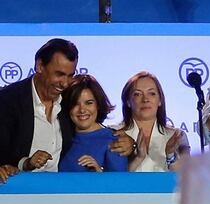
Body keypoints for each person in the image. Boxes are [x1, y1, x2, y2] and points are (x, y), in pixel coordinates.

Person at [0, 38, 133, 182]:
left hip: (60, 195)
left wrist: (131, 144)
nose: (64, 83)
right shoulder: (8, 100)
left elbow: (92, 132)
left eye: (70, 75)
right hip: (15, 194)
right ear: (39, 66)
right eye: (59, 74)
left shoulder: (68, 99)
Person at [115, 72, 189, 172]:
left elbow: (185, 178)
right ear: (128, 101)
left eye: (152, 93)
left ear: (160, 101)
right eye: (137, 94)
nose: (145, 99)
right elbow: (112, 180)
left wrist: (170, 155)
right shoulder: (115, 134)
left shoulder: (177, 136)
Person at [57, 75, 128, 173]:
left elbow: (119, 185)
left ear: (98, 104)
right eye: (75, 104)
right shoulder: (61, 138)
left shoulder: (113, 141)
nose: (82, 110)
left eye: (89, 103)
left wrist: (99, 173)